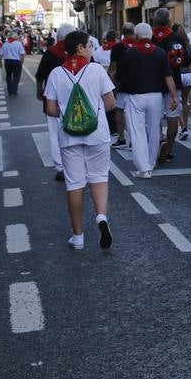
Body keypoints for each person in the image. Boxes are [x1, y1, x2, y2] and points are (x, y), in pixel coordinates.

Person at [44, 31, 117, 250]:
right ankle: (101, 217)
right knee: (99, 177)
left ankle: (78, 237)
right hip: (98, 134)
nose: (92, 49)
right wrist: (92, 116)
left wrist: (71, 117)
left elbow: (50, 109)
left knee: (75, 184)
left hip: (69, 136)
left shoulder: (56, 73)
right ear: (80, 48)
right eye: (90, 46)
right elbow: (111, 102)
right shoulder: (95, 69)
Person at [113, 23, 178, 178]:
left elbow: (119, 76)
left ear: (136, 35)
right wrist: (174, 96)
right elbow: (168, 76)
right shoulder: (160, 52)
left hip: (135, 96)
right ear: (151, 35)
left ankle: (143, 168)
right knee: (154, 130)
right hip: (156, 96)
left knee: (137, 132)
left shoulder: (130, 53)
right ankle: (150, 163)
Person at [151, 9, 191, 165]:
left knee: (154, 118)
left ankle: (159, 141)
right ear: (169, 21)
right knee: (172, 117)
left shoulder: (149, 38)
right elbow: (185, 61)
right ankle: (169, 149)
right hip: (173, 83)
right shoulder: (176, 38)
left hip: (153, 84)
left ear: (155, 21)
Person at [36, 25, 74, 180]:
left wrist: (39, 92)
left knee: (54, 134)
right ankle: (74, 164)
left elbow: (40, 75)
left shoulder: (50, 53)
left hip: (52, 99)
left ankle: (60, 167)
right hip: (73, 99)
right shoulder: (77, 53)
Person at [0, 32, 26, 97]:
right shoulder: (18, 44)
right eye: (17, 36)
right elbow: (22, 54)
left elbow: (0, 55)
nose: (18, 37)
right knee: (16, 76)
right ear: (14, 37)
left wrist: (0, 63)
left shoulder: (5, 44)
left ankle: (10, 91)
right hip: (16, 62)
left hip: (7, 61)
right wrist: (21, 63)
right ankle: (14, 90)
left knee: (8, 76)